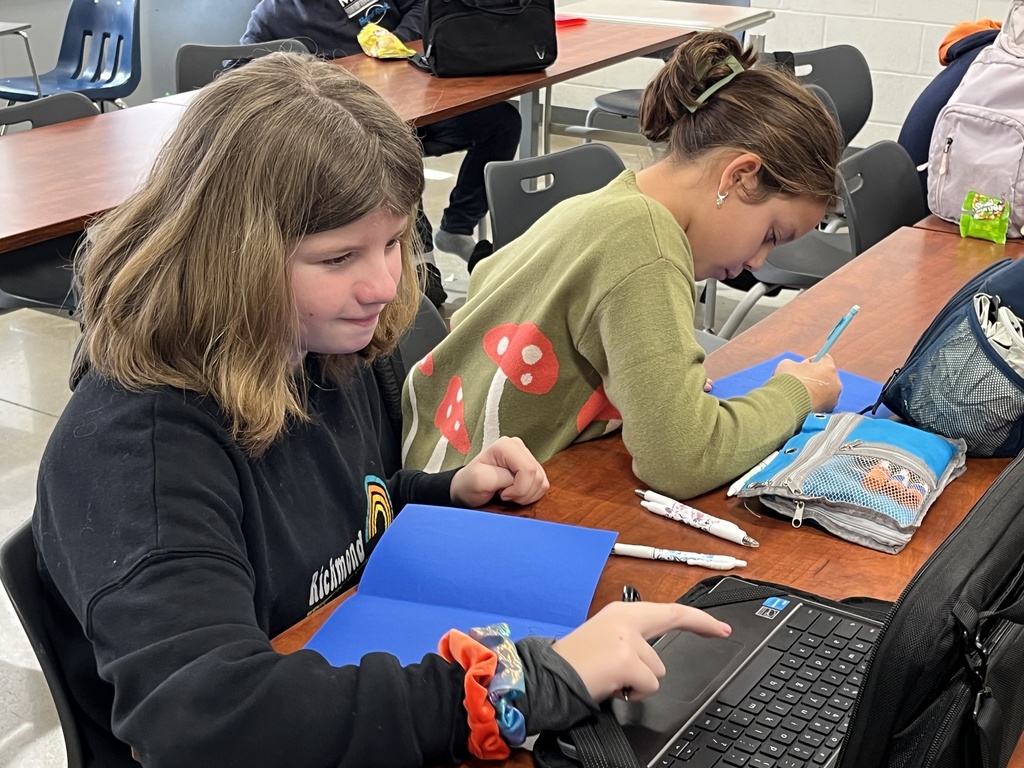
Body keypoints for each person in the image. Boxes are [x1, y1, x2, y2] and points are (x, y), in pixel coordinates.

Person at [32, 53, 731, 768]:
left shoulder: (314, 347)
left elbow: (325, 521)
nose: (384, 284)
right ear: (230, 260)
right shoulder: (138, 452)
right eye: (338, 258)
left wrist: (439, 491)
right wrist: (512, 685)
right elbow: (204, 719)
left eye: (393, 242)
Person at [401, 32, 844, 501]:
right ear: (739, 176)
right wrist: (797, 393)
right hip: (467, 506)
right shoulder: (649, 246)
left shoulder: (607, 203)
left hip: (431, 464)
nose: (757, 262)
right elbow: (682, 459)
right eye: (771, 234)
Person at [241, 0, 522, 265]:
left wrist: (395, 40)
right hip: (358, 126)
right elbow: (240, 67)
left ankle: (457, 227)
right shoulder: (272, 14)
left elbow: (421, 5)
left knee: (502, 122)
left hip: (419, 100)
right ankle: (420, 261)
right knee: (394, 146)